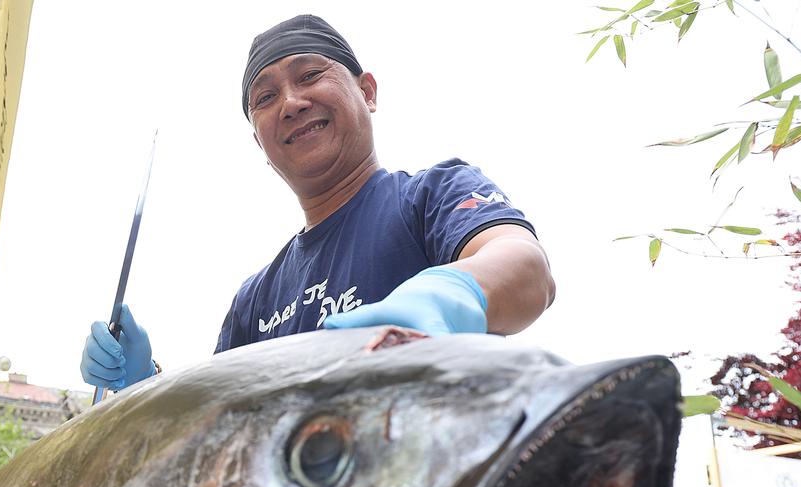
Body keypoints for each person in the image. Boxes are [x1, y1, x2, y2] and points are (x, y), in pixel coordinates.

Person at [81, 14, 555, 391]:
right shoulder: (253, 300)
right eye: (265, 97)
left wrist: (454, 294)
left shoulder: (431, 195)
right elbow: (222, 427)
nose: (290, 102)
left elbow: (525, 268)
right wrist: (147, 386)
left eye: (309, 75)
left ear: (366, 91)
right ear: (260, 143)